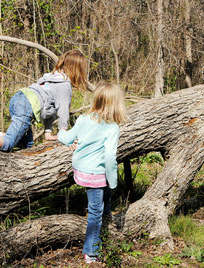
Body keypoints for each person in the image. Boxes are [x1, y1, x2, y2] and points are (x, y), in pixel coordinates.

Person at [0, 49, 87, 157]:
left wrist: (48, 133)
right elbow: (63, 111)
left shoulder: (52, 77)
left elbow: (51, 109)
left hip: (18, 98)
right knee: (9, 143)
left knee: (27, 144)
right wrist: (63, 133)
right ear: (77, 69)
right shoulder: (64, 86)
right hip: (26, 105)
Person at [57, 82, 126, 264]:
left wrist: (60, 133)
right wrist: (113, 180)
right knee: (95, 212)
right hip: (95, 174)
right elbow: (110, 157)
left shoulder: (83, 119)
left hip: (81, 169)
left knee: (104, 199)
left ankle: (107, 217)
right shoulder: (112, 128)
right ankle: (91, 252)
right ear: (115, 104)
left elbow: (67, 137)